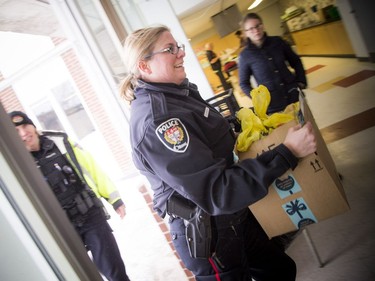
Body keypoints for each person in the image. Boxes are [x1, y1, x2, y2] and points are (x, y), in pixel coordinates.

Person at [119, 25, 316, 281]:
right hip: (210, 232)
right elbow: (217, 191)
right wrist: (287, 152)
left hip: (232, 215)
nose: (181, 53)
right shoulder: (159, 122)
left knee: (279, 269)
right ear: (144, 66)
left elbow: (207, 142)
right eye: (170, 49)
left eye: (178, 46)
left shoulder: (179, 92)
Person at [8, 111, 131, 281]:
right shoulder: (17, 162)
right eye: (16, 131)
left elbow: (91, 168)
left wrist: (114, 199)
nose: (23, 133)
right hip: (60, 228)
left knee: (115, 272)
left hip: (90, 215)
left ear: (33, 125)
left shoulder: (60, 141)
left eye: (25, 126)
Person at [238, 12, 307, 114]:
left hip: (294, 94)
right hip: (273, 104)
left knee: (307, 125)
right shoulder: (245, 55)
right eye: (251, 29)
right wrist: (258, 99)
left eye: (258, 26)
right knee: (287, 129)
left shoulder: (277, 42)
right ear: (246, 33)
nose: (256, 30)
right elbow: (244, 83)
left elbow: (296, 61)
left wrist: (301, 81)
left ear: (263, 25)